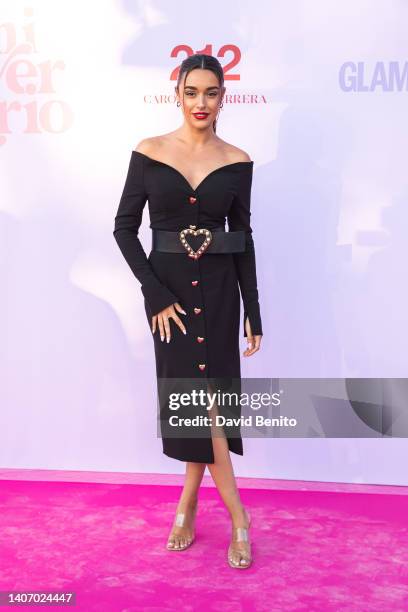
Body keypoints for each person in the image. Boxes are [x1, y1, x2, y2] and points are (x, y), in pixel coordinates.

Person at [113, 53, 263, 569]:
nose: (201, 102)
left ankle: (189, 503)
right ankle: (237, 516)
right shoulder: (149, 151)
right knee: (198, 406)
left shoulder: (238, 160)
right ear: (177, 93)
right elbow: (124, 228)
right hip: (169, 300)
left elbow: (242, 240)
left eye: (211, 93)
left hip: (221, 296)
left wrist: (254, 311)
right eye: (192, 91)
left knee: (211, 407)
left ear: (224, 97)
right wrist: (154, 294)